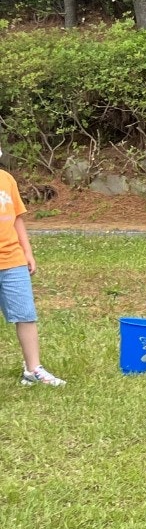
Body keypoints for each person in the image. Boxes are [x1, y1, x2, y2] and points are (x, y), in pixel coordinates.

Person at [0, 147, 67, 387]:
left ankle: (33, 369)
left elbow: (17, 217)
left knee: (25, 314)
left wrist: (27, 252)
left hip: (13, 260)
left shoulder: (6, 179)